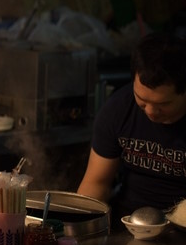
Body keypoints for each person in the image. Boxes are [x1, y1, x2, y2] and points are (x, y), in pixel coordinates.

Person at [77, 31, 186, 221]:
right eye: (142, 100)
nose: (151, 111)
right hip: (129, 224)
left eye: (163, 104)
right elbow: (97, 183)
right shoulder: (118, 110)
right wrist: (78, 227)